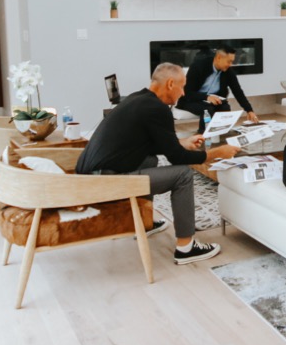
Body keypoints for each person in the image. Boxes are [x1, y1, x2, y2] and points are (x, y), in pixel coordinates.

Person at [77, 62, 240, 264]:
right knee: (183, 175)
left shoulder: (138, 99)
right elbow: (178, 159)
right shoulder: (158, 109)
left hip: (90, 177)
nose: (183, 93)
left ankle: (145, 222)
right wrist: (216, 153)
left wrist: (180, 143)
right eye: (182, 87)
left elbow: (144, 144)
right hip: (104, 184)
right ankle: (186, 247)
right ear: (170, 84)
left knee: (149, 159)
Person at [177, 45, 260, 133]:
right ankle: (203, 134)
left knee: (225, 107)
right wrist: (206, 97)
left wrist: (249, 110)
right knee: (208, 109)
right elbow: (187, 93)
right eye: (229, 61)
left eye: (232, 62)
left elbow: (238, 92)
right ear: (219, 58)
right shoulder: (198, 66)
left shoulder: (228, 71)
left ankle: (222, 133)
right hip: (191, 100)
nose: (230, 65)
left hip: (213, 101)